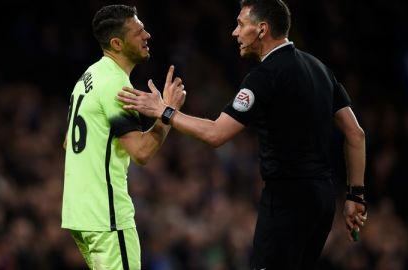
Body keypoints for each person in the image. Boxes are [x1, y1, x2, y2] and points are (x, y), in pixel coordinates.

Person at [117, 0, 367, 269]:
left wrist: (165, 112)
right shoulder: (320, 69)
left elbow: (216, 134)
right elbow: (356, 134)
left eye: (240, 24)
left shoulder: (264, 76)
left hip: (286, 200)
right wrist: (355, 196)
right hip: (322, 200)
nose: (234, 32)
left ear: (262, 29)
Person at [61, 5, 185, 270]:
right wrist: (167, 114)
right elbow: (140, 152)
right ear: (117, 43)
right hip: (107, 217)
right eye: (138, 32)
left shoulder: (88, 77)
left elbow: (67, 142)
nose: (147, 35)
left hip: (79, 213)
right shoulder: (116, 85)